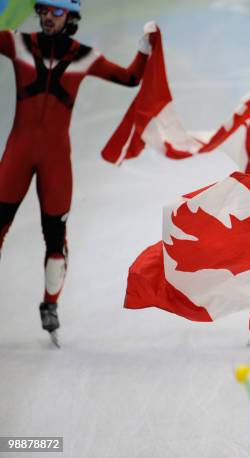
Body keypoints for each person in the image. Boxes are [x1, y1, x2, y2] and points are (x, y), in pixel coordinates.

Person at [0, 0, 153, 343]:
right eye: (43, 11)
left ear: (70, 16)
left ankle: (50, 304)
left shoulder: (85, 56)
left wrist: (145, 48)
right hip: (17, 155)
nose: (47, 18)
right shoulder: (17, 42)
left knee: (55, 238)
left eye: (55, 12)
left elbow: (130, 78)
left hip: (55, 161)